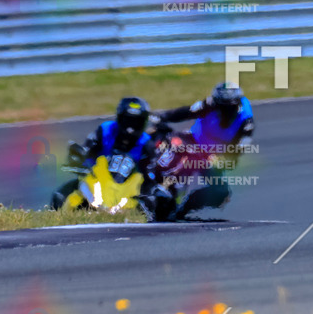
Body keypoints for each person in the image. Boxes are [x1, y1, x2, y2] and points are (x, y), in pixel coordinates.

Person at [156, 81, 255, 218]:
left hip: (215, 154)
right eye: (221, 107)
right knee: (179, 159)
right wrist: (162, 117)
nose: (224, 111)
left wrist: (222, 159)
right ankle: (162, 188)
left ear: (237, 104)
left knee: (220, 193)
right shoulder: (209, 104)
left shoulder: (246, 122)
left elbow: (237, 152)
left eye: (229, 108)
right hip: (192, 141)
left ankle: (183, 210)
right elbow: (187, 112)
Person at [52, 97, 163, 215]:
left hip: (129, 189)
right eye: (128, 121)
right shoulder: (106, 130)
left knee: (159, 199)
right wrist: (79, 156)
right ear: (120, 118)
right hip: (97, 181)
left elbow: (151, 174)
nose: (130, 128)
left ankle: (126, 210)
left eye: (136, 122)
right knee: (59, 196)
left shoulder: (147, 143)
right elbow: (87, 149)